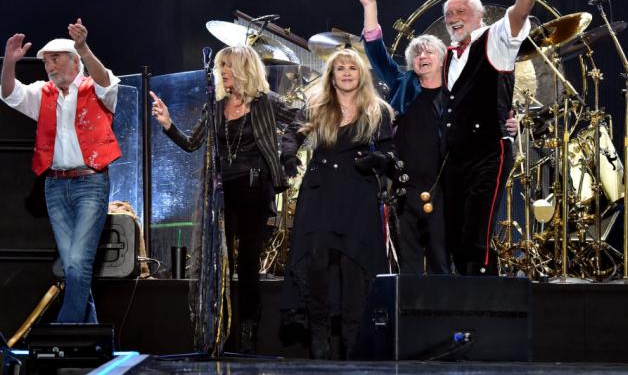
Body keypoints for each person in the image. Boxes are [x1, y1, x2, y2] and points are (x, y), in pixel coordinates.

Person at [351, 0, 518, 276]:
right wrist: (369, 6)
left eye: (429, 51)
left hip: (445, 188)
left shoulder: (457, 91)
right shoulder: (403, 84)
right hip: (405, 187)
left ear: (445, 59)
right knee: (410, 265)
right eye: (416, 53)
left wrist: (508, 123)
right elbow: (375, 51)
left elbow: (490, 104)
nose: (422, 55)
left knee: (444, 262)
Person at [150, 45, 298, 353]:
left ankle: (247, 335)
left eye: (228, 65)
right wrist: (167, 124)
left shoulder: (265, 102)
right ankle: (220, 330)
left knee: (247, 263)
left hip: (255, 189)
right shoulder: (215, 106)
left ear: (244, 68)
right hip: (221, 192)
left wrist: (286, 152)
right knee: (218, 262)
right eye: (221, 66)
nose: (223, 71)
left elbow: (303, 119)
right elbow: (193, 143)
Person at [440, 0, 548, 276]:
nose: (454, 17)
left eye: (461, 11)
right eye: (449, 14)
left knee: (477, 234)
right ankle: (463, 301)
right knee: (454, 234)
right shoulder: (446, 56)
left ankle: (485, 305)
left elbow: (522, 8)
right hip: (454, 157)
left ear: (479, 15)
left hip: (488, 151)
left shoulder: (496, 38)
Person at [1, 19, 121, 323]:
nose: (49, 66)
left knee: (77, 262)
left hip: (90, 184)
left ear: (74, 61)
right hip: (55, 186)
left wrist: (84, 47)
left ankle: (63, 331)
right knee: (72, 266)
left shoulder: (94, 87)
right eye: (45, 61)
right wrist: (9, 63)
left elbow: (105, 80)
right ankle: (89, 338)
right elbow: (9, 94)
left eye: (55, 58)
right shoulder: (44, 93)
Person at [281, 48, 394, 360]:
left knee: (355, 267)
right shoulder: (315, 105)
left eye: (352, 68)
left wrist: (378, 159)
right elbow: (291, 135)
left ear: (361, 75)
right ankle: (319, 340)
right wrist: (288, 156)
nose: (346, 73)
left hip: (357, 193)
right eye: (340, 68)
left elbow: (390, 153)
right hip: (320, 192)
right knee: (314, 263)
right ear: (331, 75)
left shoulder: (377, 109)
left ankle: (352, 344)